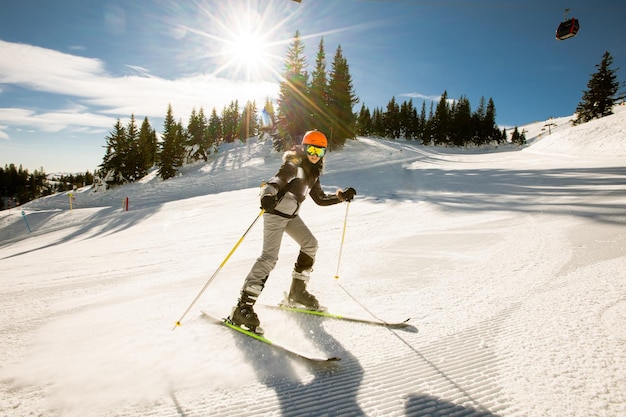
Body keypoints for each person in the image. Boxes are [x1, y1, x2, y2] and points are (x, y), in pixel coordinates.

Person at [229, 130, 356, 334]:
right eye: (311, 149)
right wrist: (267, 195)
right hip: (275, 213)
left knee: (310, 244)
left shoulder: (313, 173)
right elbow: (275, 181)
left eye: (320, 151)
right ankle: (242, 307)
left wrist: (341, 197)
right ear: (304, 148)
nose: (314, 154)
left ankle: (297, 293)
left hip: (291, 217)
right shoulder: (294, 164)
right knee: (269, 258)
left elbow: (320, 199)